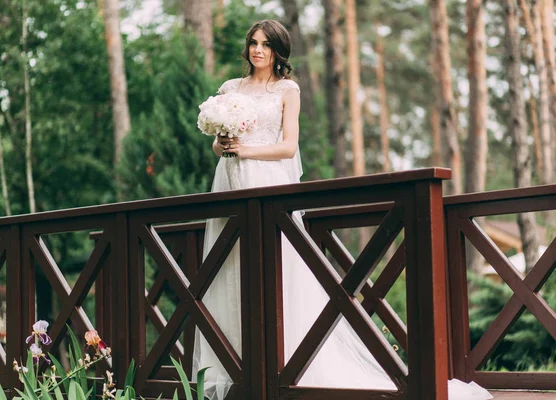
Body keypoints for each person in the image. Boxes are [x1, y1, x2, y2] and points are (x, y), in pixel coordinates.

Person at [192, 19, 493, 400]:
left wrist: (246, 150)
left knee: (276, 267)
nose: (258, 50)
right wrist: (224, 142)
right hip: (228, 181)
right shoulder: (229, 90)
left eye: (266, 45)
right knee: (228, 266)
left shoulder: (288, 90)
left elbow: (288, 147)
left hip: (266, 181)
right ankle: (235, 365)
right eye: (253, 43)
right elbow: (218, 148)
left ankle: (285, 363)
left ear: (279, 51)